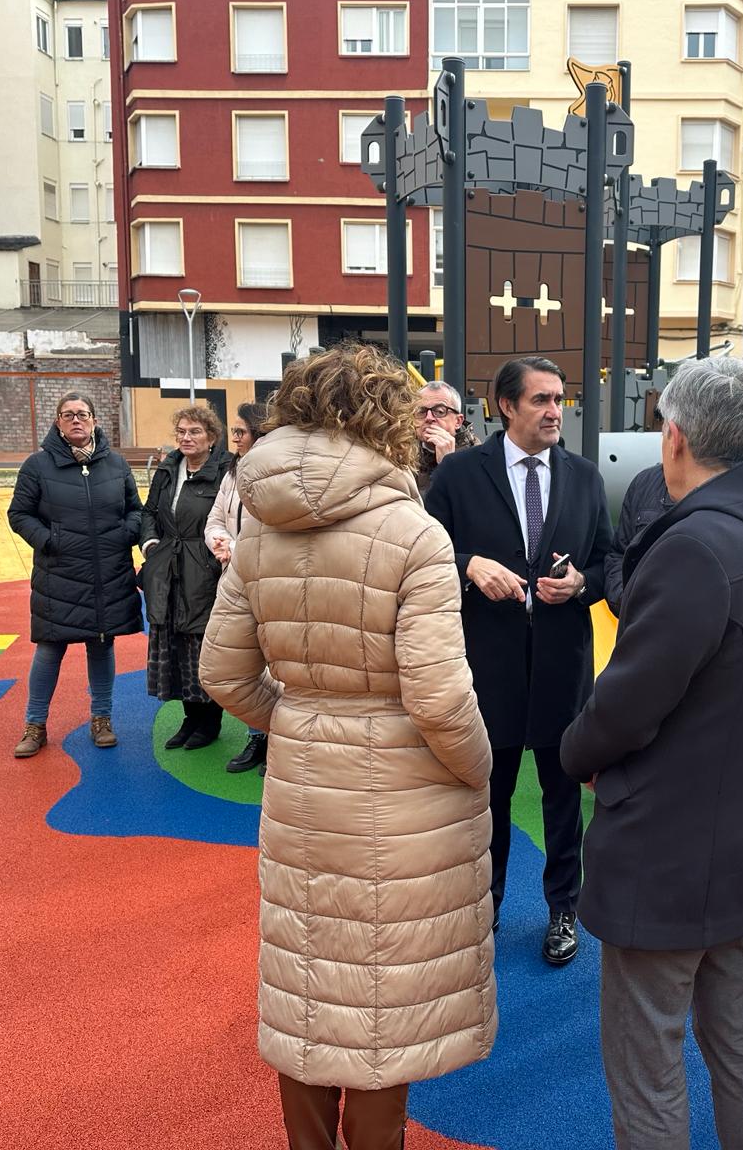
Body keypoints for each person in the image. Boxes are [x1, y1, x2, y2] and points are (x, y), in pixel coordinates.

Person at [198, 345, 495, 1150]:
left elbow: (221, 672)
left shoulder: (259, 524)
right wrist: (476, 769)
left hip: (303, 778)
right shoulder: (413, 533)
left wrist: (297, 720)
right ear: (387, 419)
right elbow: (438, 695)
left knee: (308, 988)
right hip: (403, 787)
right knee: (384, 1004)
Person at [559, 357, 743, 1150]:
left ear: (673, 437)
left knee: (647, 1057)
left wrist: (576, 750)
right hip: (738, 821)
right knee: (736, 1032)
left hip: (664, 837)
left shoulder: (697, 547)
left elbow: (630, 702)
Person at [423, 355, 612, 966]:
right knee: (487, 797)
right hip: (488, 665)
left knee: (563, 799)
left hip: (562, 665)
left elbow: (611, 562)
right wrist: (467, 567)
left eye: (560, 399)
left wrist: (583, 582)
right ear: (506, 406)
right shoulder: (456, 475)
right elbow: (423, 557)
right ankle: (487, 902)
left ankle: (564, 909)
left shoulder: (585, 477)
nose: (556, 411)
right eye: (542, 400)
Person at [6, 392, 144, 759]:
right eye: (67, 415)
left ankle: (102, 719)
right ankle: (35, 724)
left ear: (95, 420)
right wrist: (50, 541)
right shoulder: (37, 466)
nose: (76, 420)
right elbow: (19, 514)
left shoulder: (116, 465)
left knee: (101, 644)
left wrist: (125, 535)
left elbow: (136, 510)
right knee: (50, 648)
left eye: (82, 414)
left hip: (107, 572)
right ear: (58, 423)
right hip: (59, 574)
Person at [140, 405, 228, 751]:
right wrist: (150, 545)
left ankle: (210, 720)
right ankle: (190, 718)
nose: (186, 438)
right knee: (176, 644)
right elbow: (149, 512)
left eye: (194, 432)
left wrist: (216, 555)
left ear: (211, 437)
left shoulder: (223, 472)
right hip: (169, 569)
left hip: (203, 568)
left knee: (202, 647)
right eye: (181, 431)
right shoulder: (168, 470)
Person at [205, 401, 270, 775]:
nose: (235, 439)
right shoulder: (232, 473)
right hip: (234, 577)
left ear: (259, 433)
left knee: (273, 659)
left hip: (266, 577)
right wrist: (219, 539)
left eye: (240, 432)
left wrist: (241, 548)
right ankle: (256, 735)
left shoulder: (273, 473)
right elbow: (216, 516)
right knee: (242, 657)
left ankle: (274, 739)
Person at [602, 463, 672, 617]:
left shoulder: (726, 483)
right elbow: (618, 555)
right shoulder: (645, 482)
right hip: (641, 629)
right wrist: (625, 599)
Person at [413, 379, 479, 495]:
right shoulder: (401, 452)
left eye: (439, 411)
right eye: (421, 411)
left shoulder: (478, 457)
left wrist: (448, 464)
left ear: (458, 421)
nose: (429, 418)